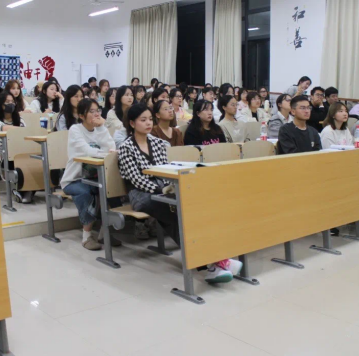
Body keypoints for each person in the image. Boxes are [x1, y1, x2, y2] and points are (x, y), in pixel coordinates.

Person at [119, 103, 241, 283]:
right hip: (141, 195)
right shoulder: (126, 147)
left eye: (150, 119)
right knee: (176, 213)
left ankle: (214, 261)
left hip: (163, 191)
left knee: (188, 210)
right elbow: (136, 180)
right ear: (132, 123)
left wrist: (169, 188)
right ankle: (215, 261)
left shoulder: (158, 143)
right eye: (143, 120)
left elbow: (165, 170)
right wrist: (162, 190)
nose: (148, 123)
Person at [60, 98, 116, 251]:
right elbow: (87, 151)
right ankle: (87, 236)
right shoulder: (75, 129)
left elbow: (111, 146)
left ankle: (104, 232)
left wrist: (102, 127)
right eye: (91, 111)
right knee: (87, 192)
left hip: (97, 177)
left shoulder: (100, 129)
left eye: (98, 110)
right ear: (81, 115)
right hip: (75, 179)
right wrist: (105, 153)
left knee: (111, 190)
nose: (96, 114)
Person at [0, 93, 30, 202]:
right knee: (19, 162)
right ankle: (22, 191)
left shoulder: (19, 118)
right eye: (7, 102)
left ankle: (27, 190)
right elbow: (4, 128)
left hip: (18, 151)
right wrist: (20, 130)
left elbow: (26, 131)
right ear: (1, 104)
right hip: (1, 153)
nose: (10, 104)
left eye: (12, 101)